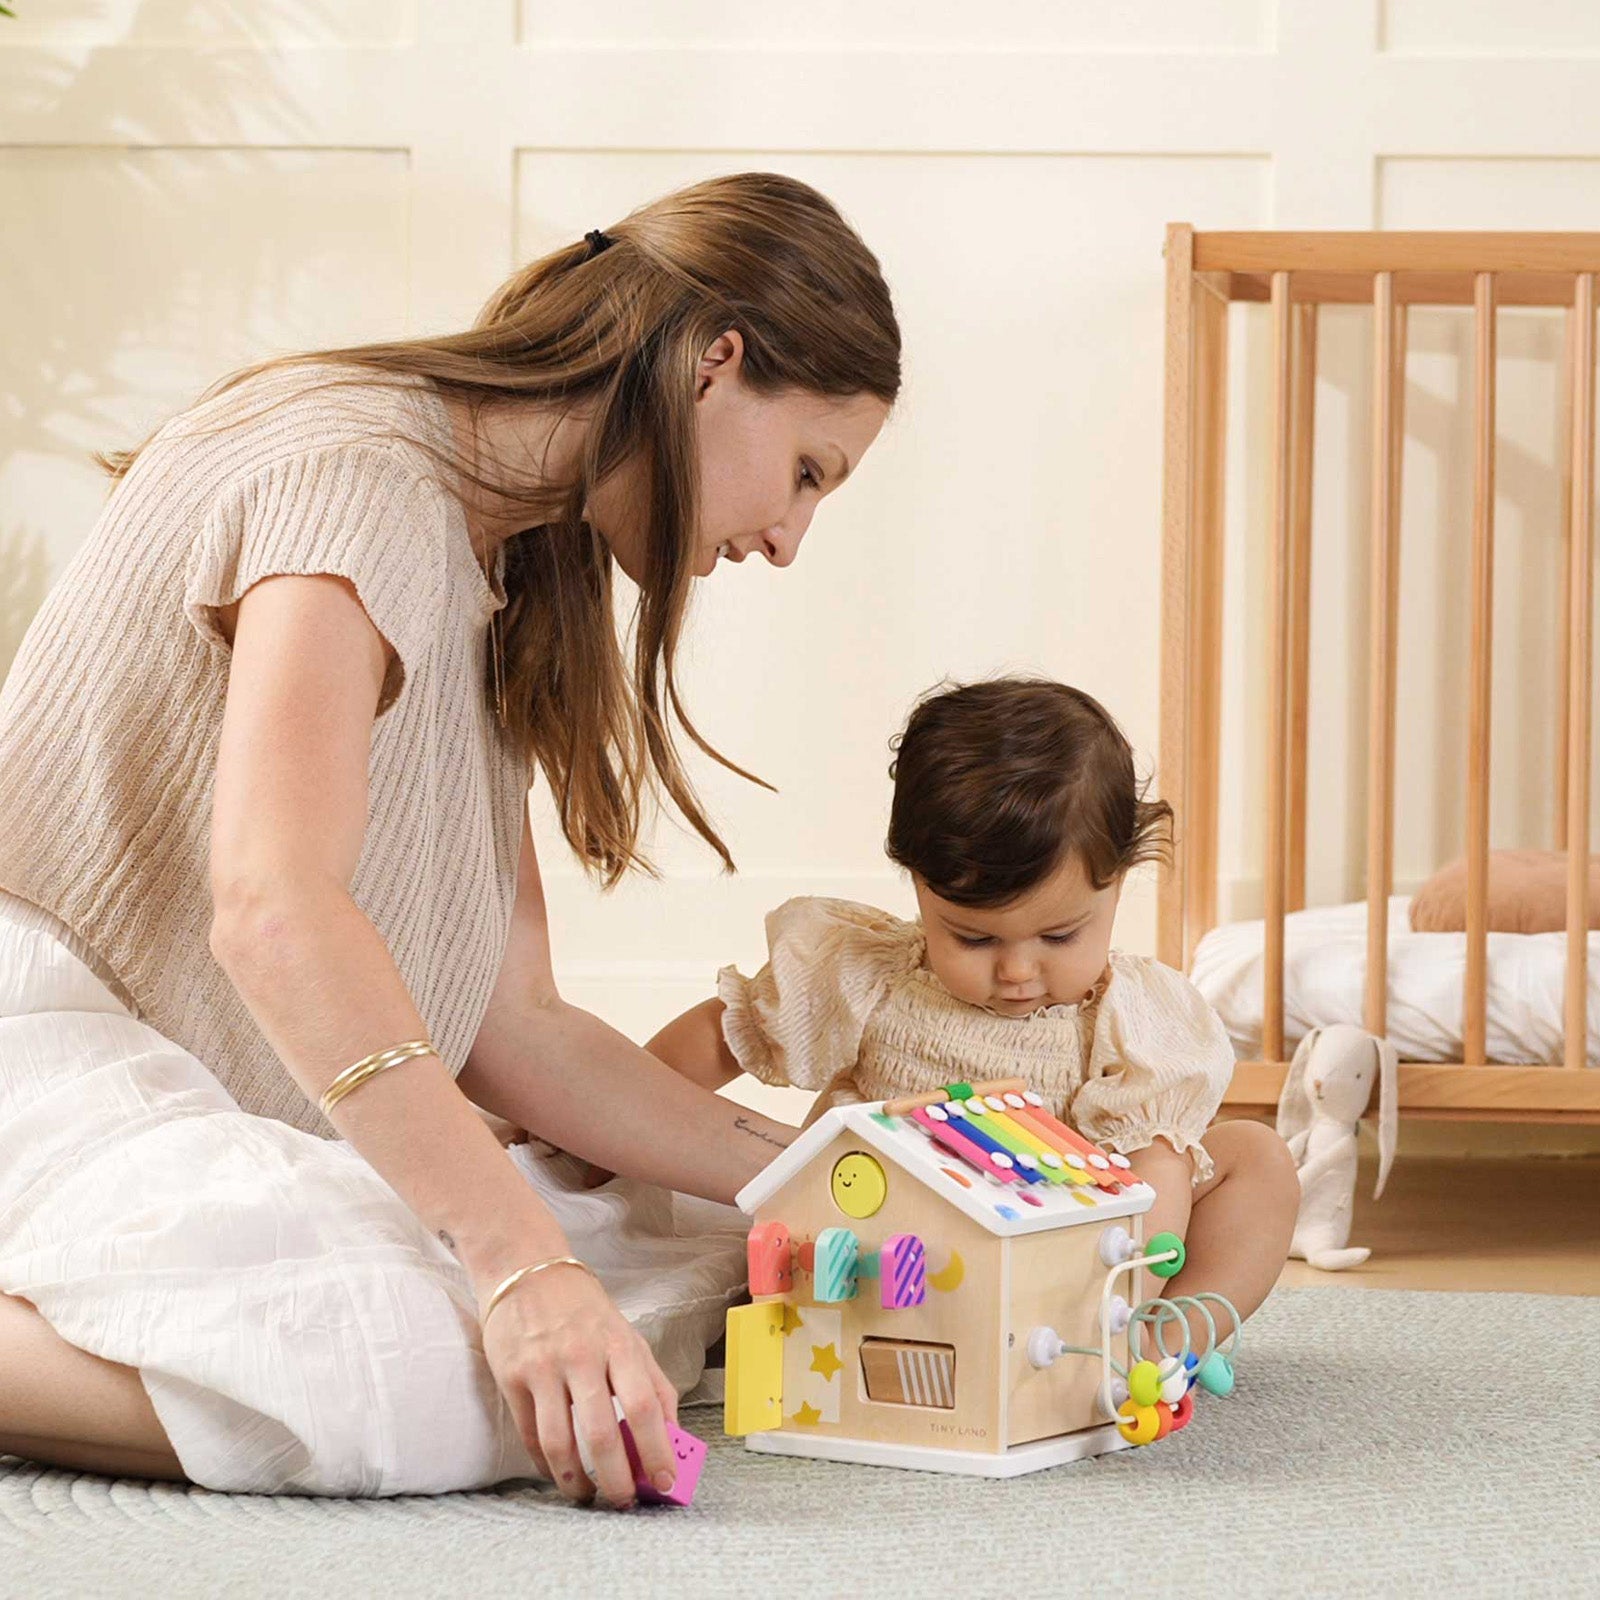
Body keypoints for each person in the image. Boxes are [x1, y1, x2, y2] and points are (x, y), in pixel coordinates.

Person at [0, 171, 897, 1505]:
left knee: (686, 1253)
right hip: (48, 1030)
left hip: (183, 1066)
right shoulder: (354, 479)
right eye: (808, 470)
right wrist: (521, 1268)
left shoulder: (510, 559)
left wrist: (824, 1173)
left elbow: (513, 1022)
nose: (789, 536)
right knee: (447, 1369)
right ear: (718, 365)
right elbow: (272, 909)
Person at [646, 677, 1302, 1329]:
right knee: (739, 1245)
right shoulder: (869, 975)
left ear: (1119, 881)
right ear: (919, 885)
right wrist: (593, 1137)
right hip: (885, 1253)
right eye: (974, 937)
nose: (1017, 970)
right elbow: (727, 1032)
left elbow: (1154, 1164)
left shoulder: (1131, 1017)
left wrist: (1128, 1280)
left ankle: (1159, 1336)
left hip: (1069, 1272)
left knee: (1257, 1158)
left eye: (1060, 935)